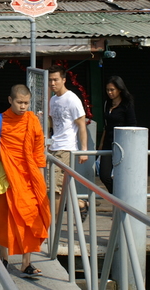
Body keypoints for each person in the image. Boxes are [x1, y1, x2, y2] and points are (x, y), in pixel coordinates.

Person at [0, 84, 50, 277]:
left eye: (26, 103)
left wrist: (41, 181)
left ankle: (26, 263)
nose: (23, 106)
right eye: (19, 102)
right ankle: (3, 259)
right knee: (4, 219)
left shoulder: (32, 121)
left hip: (28, 178)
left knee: (30, 219)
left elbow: (38, 152)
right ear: (10, 100)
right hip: (5, 179)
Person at [48, 65, 89, 213]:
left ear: (64, 80)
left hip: (67, 147)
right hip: (53, 146)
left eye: (56, 80)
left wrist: (84, 150)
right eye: (50, 80)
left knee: (55, 187)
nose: (53, 83)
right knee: (52, 184)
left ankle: (54, 223)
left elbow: (82, 124)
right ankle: (80, 204)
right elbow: (52, 122)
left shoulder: (72, 99)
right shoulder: (53, 100)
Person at [98, 75, 136, 194]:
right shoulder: (107, 104)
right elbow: (106, 126)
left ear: (119, 89)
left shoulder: (127, 104)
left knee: (124, 175)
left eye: (112, 90)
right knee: (104, 175)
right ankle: (118, 197)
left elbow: (132, 125)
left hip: (122, 144)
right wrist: (101, 144)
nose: (109, 92)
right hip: (108, 144)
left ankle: (122, 198)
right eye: (107, 90)